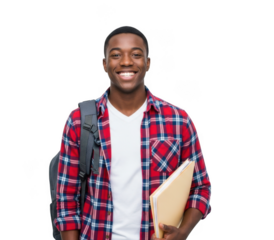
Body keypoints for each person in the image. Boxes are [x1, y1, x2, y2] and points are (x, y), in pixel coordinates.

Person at [54, 25, 212, 240]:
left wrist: (183, 232)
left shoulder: (178, 121)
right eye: (116, 55)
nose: (126, 62)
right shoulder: (79, 121)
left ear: (147, 64)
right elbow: (66, 198)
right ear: (105, 64)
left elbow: (200, 187)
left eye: (136, 55)